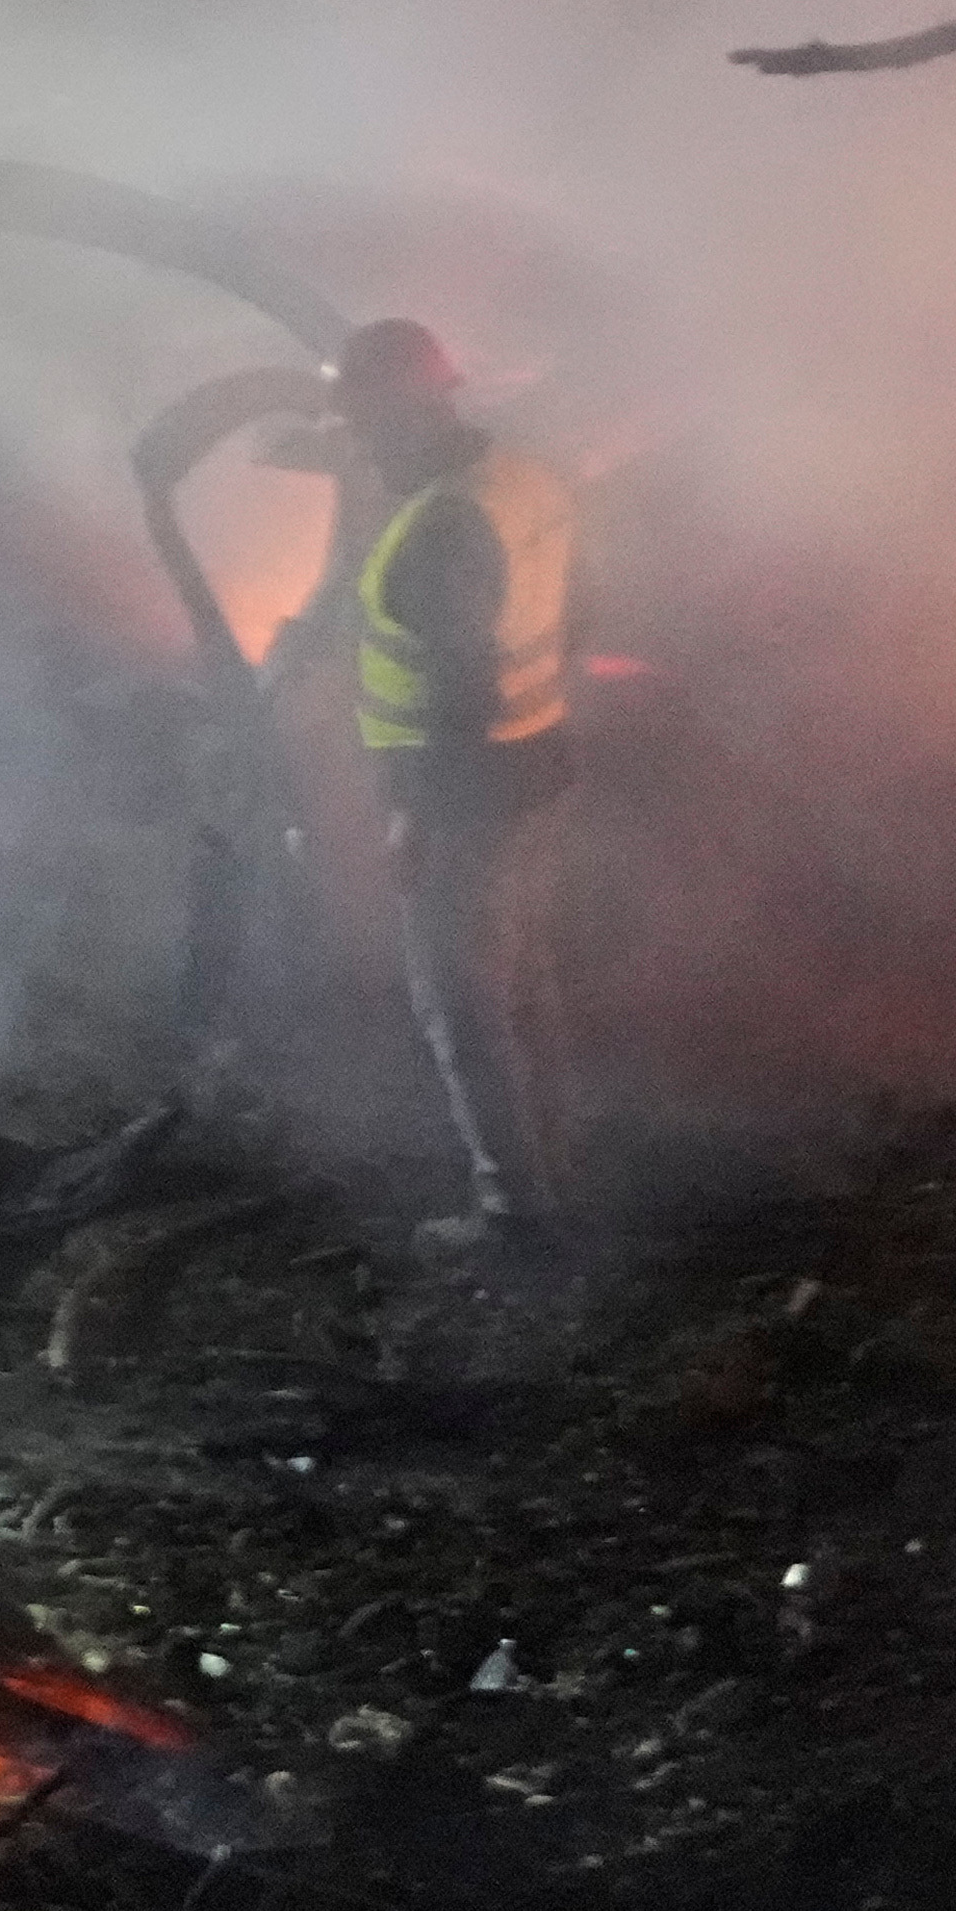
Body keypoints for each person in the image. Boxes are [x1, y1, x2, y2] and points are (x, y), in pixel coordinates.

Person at [335, 317, 578, 1257]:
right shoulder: (523, 479)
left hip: (469, 792)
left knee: (463, 1002)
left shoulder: (441, 524)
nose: (358, 442)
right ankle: (554, 1166)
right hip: (538, 764)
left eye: (364, 421)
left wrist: (413, 815)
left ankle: (516, 1212)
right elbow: (578, 607)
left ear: (404, 408)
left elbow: (464, 688)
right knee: (519, 981)